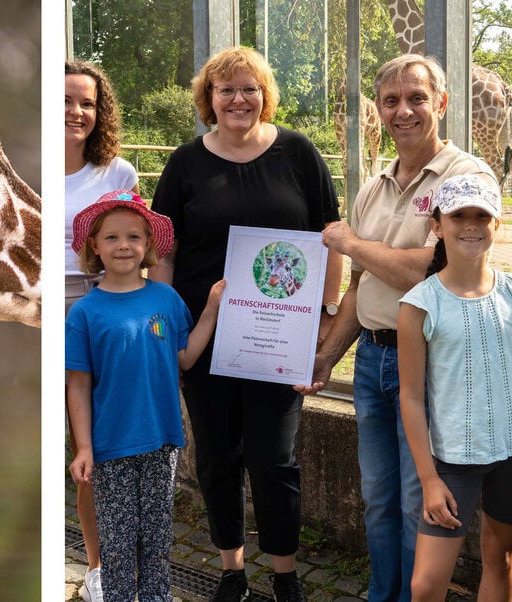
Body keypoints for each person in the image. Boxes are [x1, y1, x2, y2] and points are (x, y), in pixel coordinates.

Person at [297, 55, 497, 602]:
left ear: (442, 103)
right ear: (379, 110)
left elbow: (432, 268)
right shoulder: (374, 188)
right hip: (372, 361)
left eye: (416, 98)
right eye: (391, 101)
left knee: (419, 500)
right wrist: (322, 356)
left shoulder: (466, 178)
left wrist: (351, 243)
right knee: (378, 497)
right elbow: (364, 287)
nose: (403, 110)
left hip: (433, 363)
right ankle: (383, 593)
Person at [149, 46, 342, 602]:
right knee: (216, 457)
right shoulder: (186, 163)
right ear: (208, 99)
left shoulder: (298, 153)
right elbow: (165, 250)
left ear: (265, 95)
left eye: (249, 88)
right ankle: (232, 571)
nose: (238, 98)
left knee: (272, 458)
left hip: (280, 340)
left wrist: (325, 324)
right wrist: (166, 325)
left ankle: (284, 576)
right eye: (226, 89)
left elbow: (331, 242)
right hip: (205, 339)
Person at [66, 189, 225, 602]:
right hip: (111, 446)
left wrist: (211, 307)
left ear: (148, 244)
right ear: (94, 246)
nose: (124, 246)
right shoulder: (85, 312)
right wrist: (83, 448)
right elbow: (78, 384)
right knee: (118, 548)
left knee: (156, 541)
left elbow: (185, 358)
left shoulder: (165, 299)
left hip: (162, 442)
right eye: (113, 237)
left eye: (134, 237)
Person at [397, 174, 512, 601]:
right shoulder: (418, 305)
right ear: (437, 225)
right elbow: (410, 397)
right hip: (452, 464)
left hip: (511, 454)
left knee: (500, 557)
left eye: (481, 215)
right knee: (426, 584)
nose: (471, 224)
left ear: (496, 223)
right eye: (458, 215)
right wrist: (428, 479)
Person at [64, 60, 139, 602]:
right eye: (66, 100)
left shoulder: (117, 174)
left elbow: (136, 246)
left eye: (87, 103)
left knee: (94, 449)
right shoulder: (24, 163)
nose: (76, 112)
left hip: (96, 307)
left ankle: (97, 567)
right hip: (36, 305)